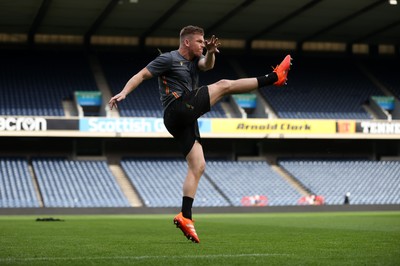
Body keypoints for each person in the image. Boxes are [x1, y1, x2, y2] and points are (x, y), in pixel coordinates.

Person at [108, 25, 292, 243]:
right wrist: (123, 92)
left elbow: (207, 65)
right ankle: (274, 77)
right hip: (177, 109)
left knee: (198, 165)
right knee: (224, 85)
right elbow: (141, 75)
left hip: (184, 118)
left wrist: (211, 52)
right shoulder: (168, 59)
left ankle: (185, 216)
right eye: (200, 41)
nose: (203, 44)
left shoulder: (196, 61)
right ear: (187, 42)